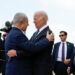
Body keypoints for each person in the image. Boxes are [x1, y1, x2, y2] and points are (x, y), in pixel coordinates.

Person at [30, 11, 54, 75]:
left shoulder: (48, 33)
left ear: (43, 19)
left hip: (42, 71)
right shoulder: (35, 33)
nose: (33, 22)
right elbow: (29, 45)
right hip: (33, 69)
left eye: (35, 19)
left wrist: (17, 53)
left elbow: (33, 48)